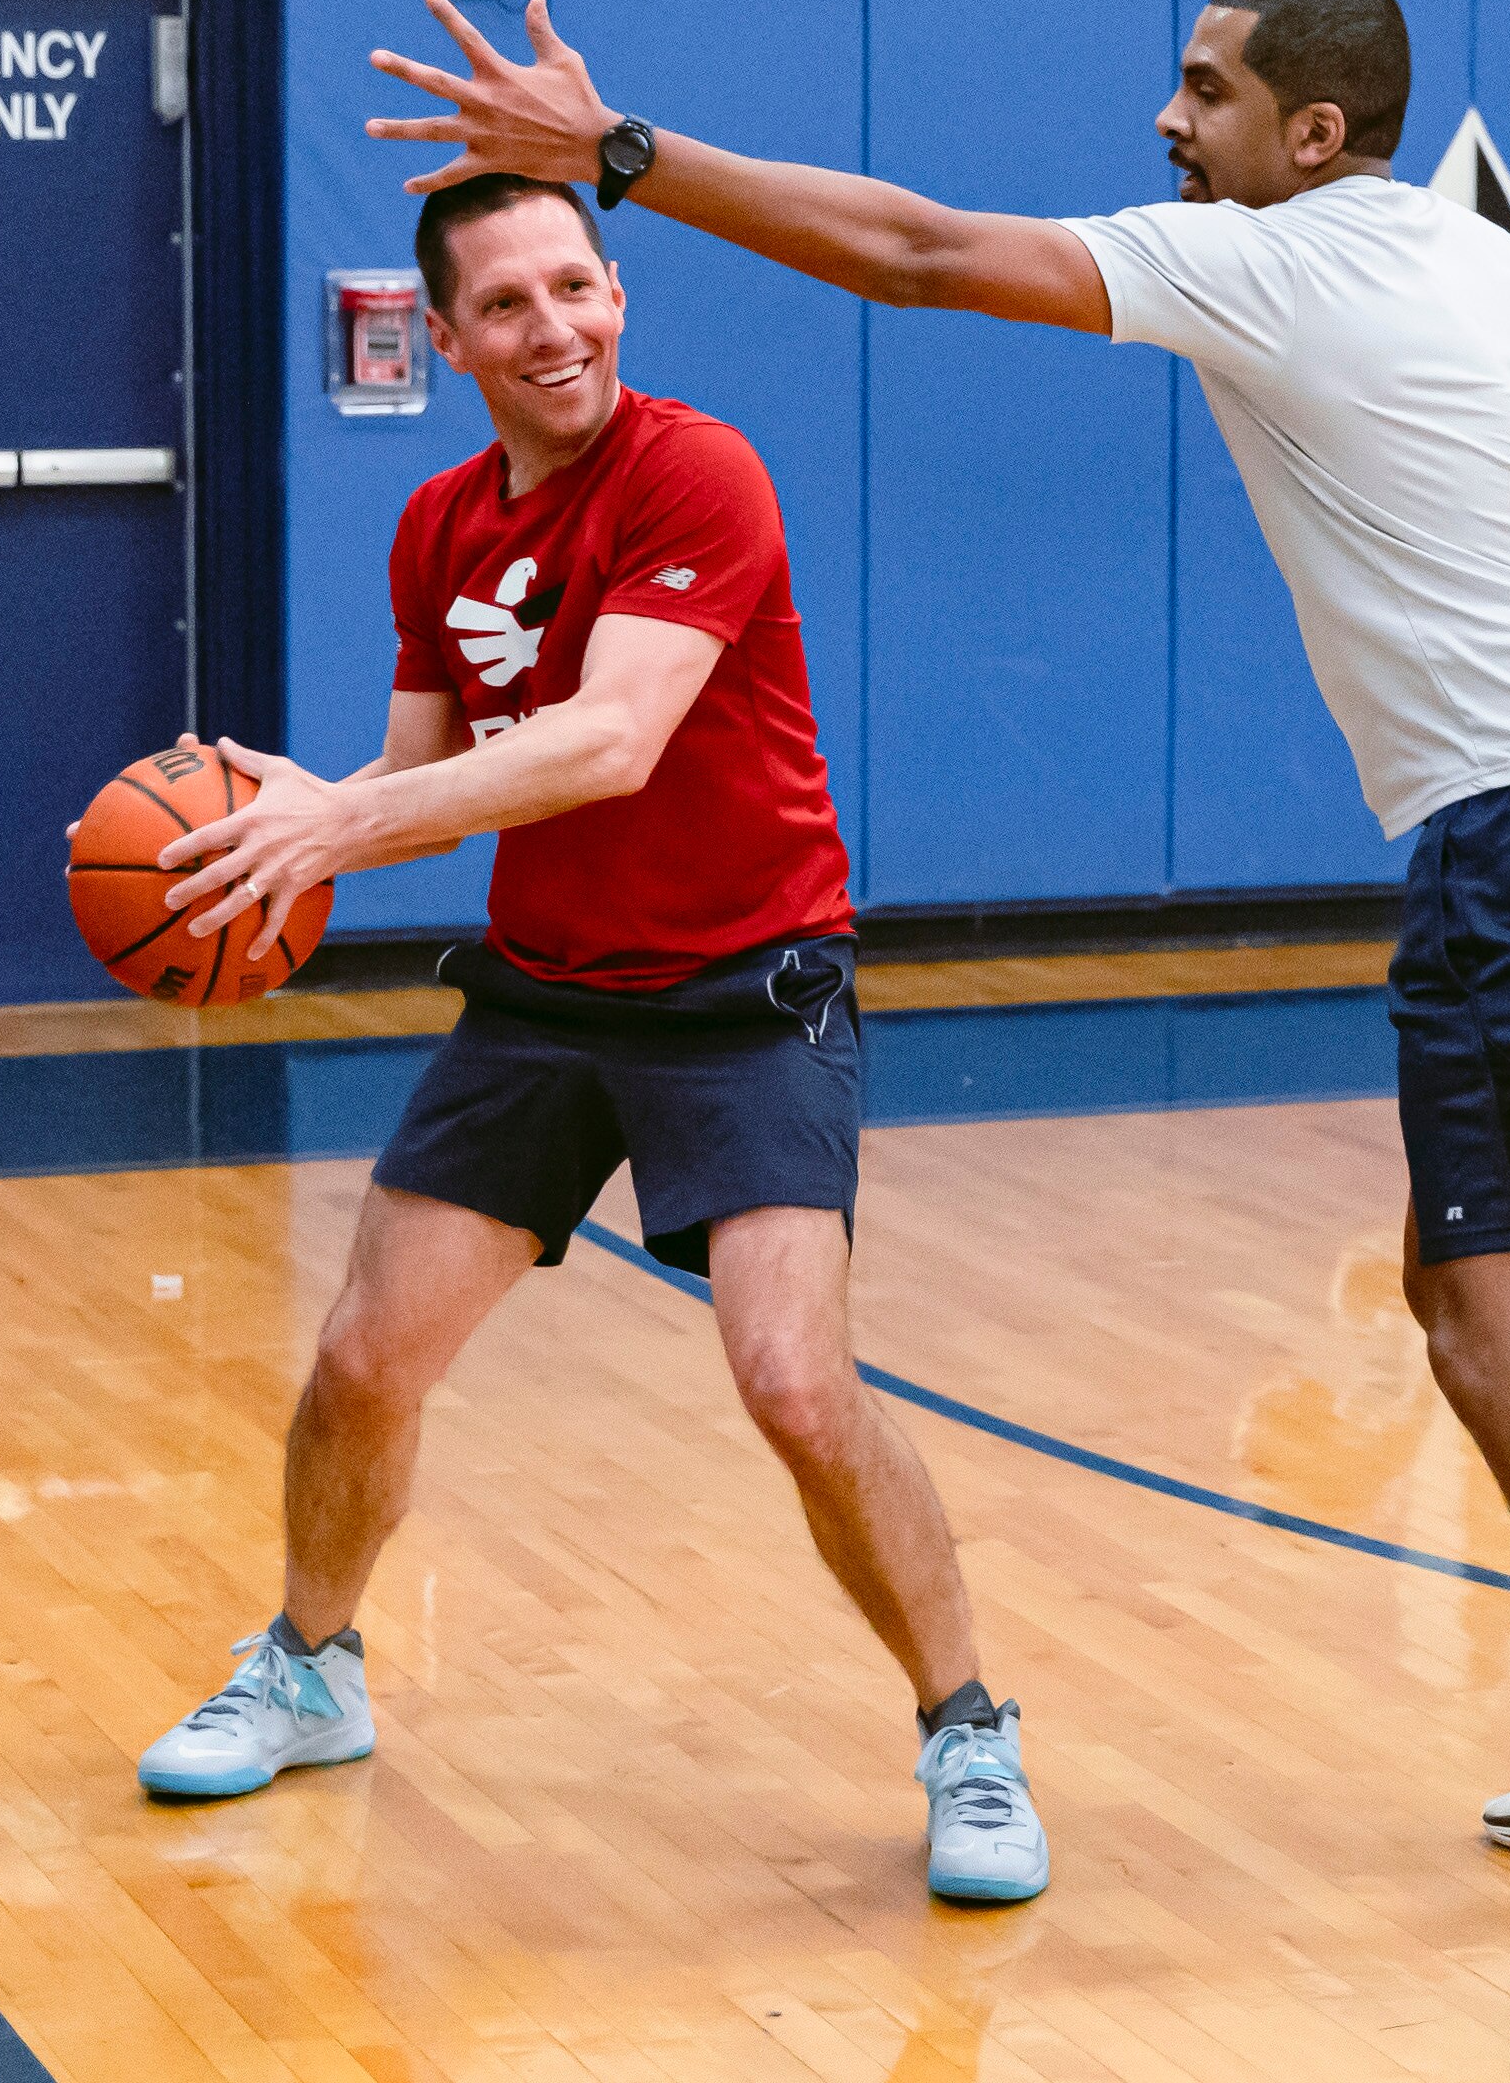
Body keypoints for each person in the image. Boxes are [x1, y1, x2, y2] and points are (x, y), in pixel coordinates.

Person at [363, 0, 1510, 2064]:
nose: (1168, 120)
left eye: (1205, 90)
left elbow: (927, 254)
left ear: (1309, 136)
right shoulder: (1473, 257)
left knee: (1508, 1337)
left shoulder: (1274, 265)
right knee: (1475, 1305)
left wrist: (620, 158)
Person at [126, 169, 1048, 1906]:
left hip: (743, 990)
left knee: (793, 1382)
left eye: (578, 287)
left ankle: (968, 1730)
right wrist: (280, 829)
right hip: (546, 996)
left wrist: (335, 827)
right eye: (509, 306)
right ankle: (313, 1668)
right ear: (451, 336)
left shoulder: (698, 472)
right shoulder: (440, 525)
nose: (553, 328)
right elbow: (421, 769)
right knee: (362, 1361)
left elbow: (609, 741)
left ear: (618, 292)